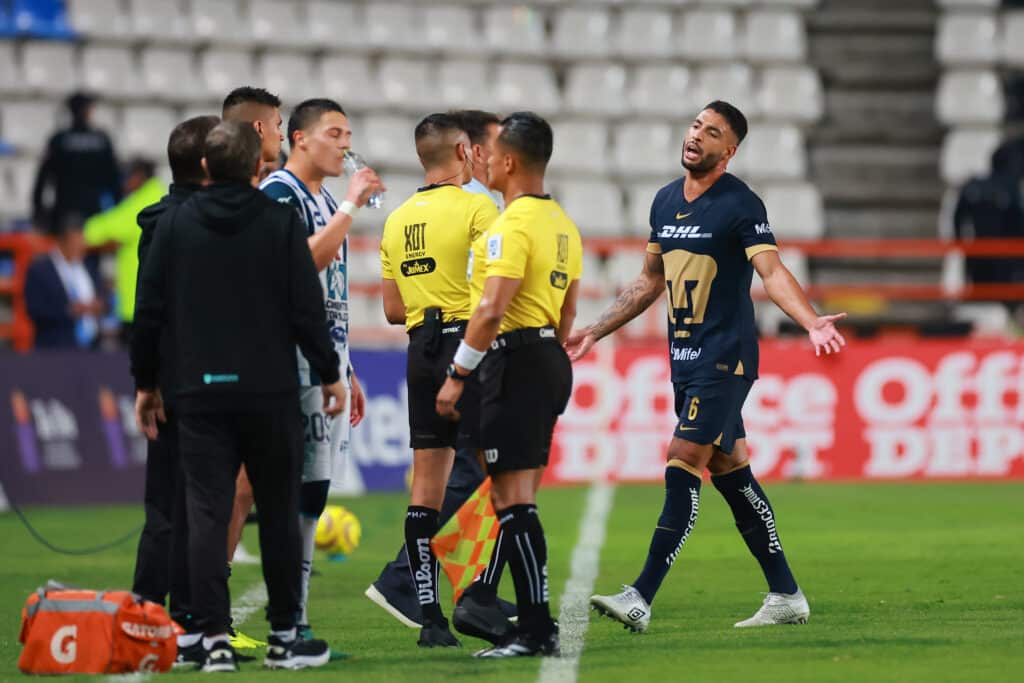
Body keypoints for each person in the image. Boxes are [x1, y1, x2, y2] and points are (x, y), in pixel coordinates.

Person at [568, 101, 846, 632]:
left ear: (729, 150)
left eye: (711, 132)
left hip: (725, 358)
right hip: (685, 359)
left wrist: (810, 321)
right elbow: (650, 281)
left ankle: (640, 595)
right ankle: (786, 594)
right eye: (696, 125)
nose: (696, 136)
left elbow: (772, 270)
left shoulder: (741, 204)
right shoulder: (665, 200)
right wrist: (594, 329)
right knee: (731, 472)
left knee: (683, 457)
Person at [132, 120, 347, 672]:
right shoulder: (279, 221)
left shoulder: (176, 223)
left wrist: (146, 384)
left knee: (205, 513)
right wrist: (329, 374)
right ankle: (282, 639)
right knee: (276, 512)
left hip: (198, 393)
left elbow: (150, 309)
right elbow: (306, 307)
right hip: (269, 392)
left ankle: (210, 641)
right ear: (258, 167)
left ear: (206, 167)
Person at [366, 109, 517, 638]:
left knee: (427, 482)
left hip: (417, 347)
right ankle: (461, 590)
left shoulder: (397, 219)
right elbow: (496, 287)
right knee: (491, 469)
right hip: (462, 345)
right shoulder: (479, 209)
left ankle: (429, 614)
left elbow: (390, 308)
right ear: (462, 152)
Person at [436, 112, 582, 658]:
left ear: (510, 162)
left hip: (513, 362)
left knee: (512, 500)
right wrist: (545, 352)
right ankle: (533, 623)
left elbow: (492, 306)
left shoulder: (512, 226)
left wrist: (457, 374)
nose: (486, 161)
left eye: (493, 154)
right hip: (546, 357)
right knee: (516, 498)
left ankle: (536, 629)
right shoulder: (563, 224)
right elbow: (568, 311)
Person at [260, 98, 383, 646]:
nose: (345, 145)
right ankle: (288, 621)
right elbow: (294, 268)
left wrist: (345, 366)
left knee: (313, 492)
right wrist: (352, 207)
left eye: (348, 134)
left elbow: (330, 298)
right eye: (335, 133)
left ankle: (296, 615)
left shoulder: (327, 198)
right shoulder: (278, 194)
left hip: (324, 365)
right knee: (292, 494)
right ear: (301, 139)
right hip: (286, 367)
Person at [130, 114, 220, 670]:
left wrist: (147, 382)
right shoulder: (195, 224)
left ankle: (147, 616)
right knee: (188, 509)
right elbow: (154, 313)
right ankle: (181, 621)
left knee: (167, 507)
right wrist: (152, 383)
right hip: (198, 386)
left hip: (170, 383)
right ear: (210, 164)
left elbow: (147, 315)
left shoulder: (158, 220)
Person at [220, 86, 284, 584]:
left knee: (247, 483)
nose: (282, 136)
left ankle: (207, 606)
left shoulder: (257, 190)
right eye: (279, 126)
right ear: (260, 129)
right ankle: (207, 609)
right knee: (236, 483)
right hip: (237, 357)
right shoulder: (249, 199)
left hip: (248, 354)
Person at [83, 157, 165, 345]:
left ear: (138, 177)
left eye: (127, 176)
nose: (124, 182)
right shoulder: (161, 195)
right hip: (158, 300)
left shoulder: (142, 203)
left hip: (137, 303)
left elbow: (95, 231)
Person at [32, 91, 122, 234]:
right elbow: (115, 181)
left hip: (64, 213)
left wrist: (39, 213)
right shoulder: (102, 140)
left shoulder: (59, 140)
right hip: (94, 217)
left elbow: (42, 180)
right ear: (86, 111)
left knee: (65, 256)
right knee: (89, 254)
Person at [24, 220, 105, 349]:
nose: (81, 248)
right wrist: (69, 311)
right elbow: (34, 309)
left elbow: (104, 297)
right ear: (62, 242)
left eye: (82, 243)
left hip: (92, 349)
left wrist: (99, 306)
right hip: (55, 349)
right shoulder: (40, 270)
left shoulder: (90, 266)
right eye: (76, 243)